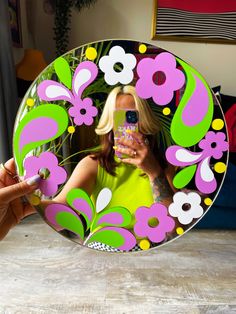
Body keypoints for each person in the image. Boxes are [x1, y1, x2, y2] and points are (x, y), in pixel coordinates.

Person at [0, 85, 176, 240]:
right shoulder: (93, 164)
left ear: (144, 121)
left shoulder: (164, 165)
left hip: (153, 251)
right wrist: (26, 205)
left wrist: (154, 173)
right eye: (119, 118)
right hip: (106, 248)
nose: (126, 127)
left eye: (131, 117)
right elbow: (63, 208)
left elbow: (173, 227)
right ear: (110, 123)